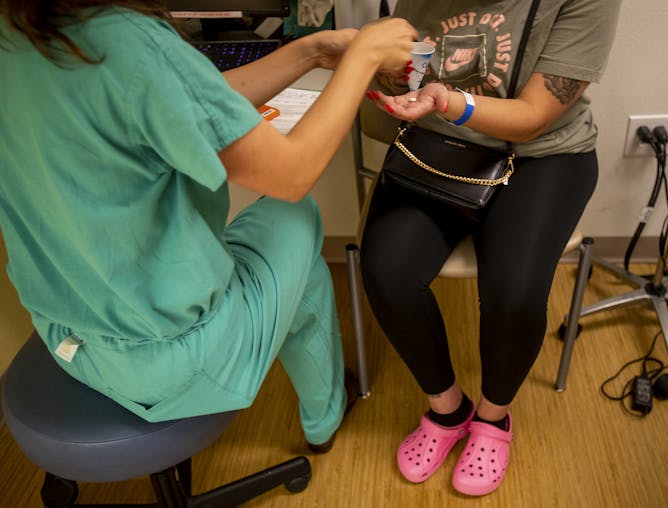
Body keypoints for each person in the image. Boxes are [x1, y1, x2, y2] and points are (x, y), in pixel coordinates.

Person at [0, 1, 416, 453]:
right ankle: (323, 420)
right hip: (170, 360)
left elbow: (185, 100)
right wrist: (365, 57)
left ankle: (325, 411)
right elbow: (292, 175)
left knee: (293, 269)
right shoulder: (125, 40)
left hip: (68, 338)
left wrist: (312, 51)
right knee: (295, 216)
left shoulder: (20, 29)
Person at [361, 0, 620, 496]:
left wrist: (447, 102)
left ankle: (493, 419)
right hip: (439, 143)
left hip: (542, 154)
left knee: (515, 294)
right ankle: (448, 410)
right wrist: (395, 78)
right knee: (387, 270)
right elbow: (415, 63)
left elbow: (532, 118)